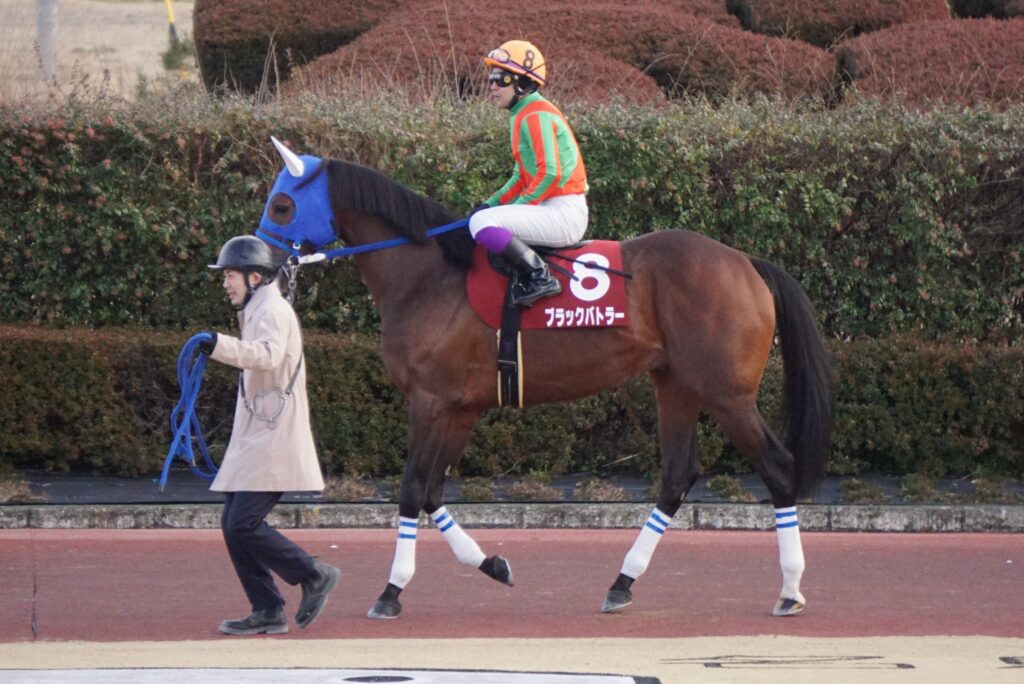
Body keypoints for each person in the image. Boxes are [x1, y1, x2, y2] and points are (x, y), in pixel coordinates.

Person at [199, 235, 339, 635]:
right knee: (234, 524)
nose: (225, 283)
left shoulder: (272, 310)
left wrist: (218, 344)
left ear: (255, 277)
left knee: (241, 524)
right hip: (260, 436)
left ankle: (313, 574)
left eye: (230, 275)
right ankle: (267, 608)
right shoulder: (258, 308)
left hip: (273, 439)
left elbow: (268, 354)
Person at [470, 39, 589, 307]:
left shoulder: (536, 114)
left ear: (523, 83)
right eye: (491, 79)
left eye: (501, 79)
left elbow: (550, 173)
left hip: (563, 213)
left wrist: (519, 206)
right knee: (482, 217)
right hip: (551, 209)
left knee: (482, 224)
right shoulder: (522, 113)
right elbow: (519, 177)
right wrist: (489, 203)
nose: (492, 86)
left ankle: (539, 276)